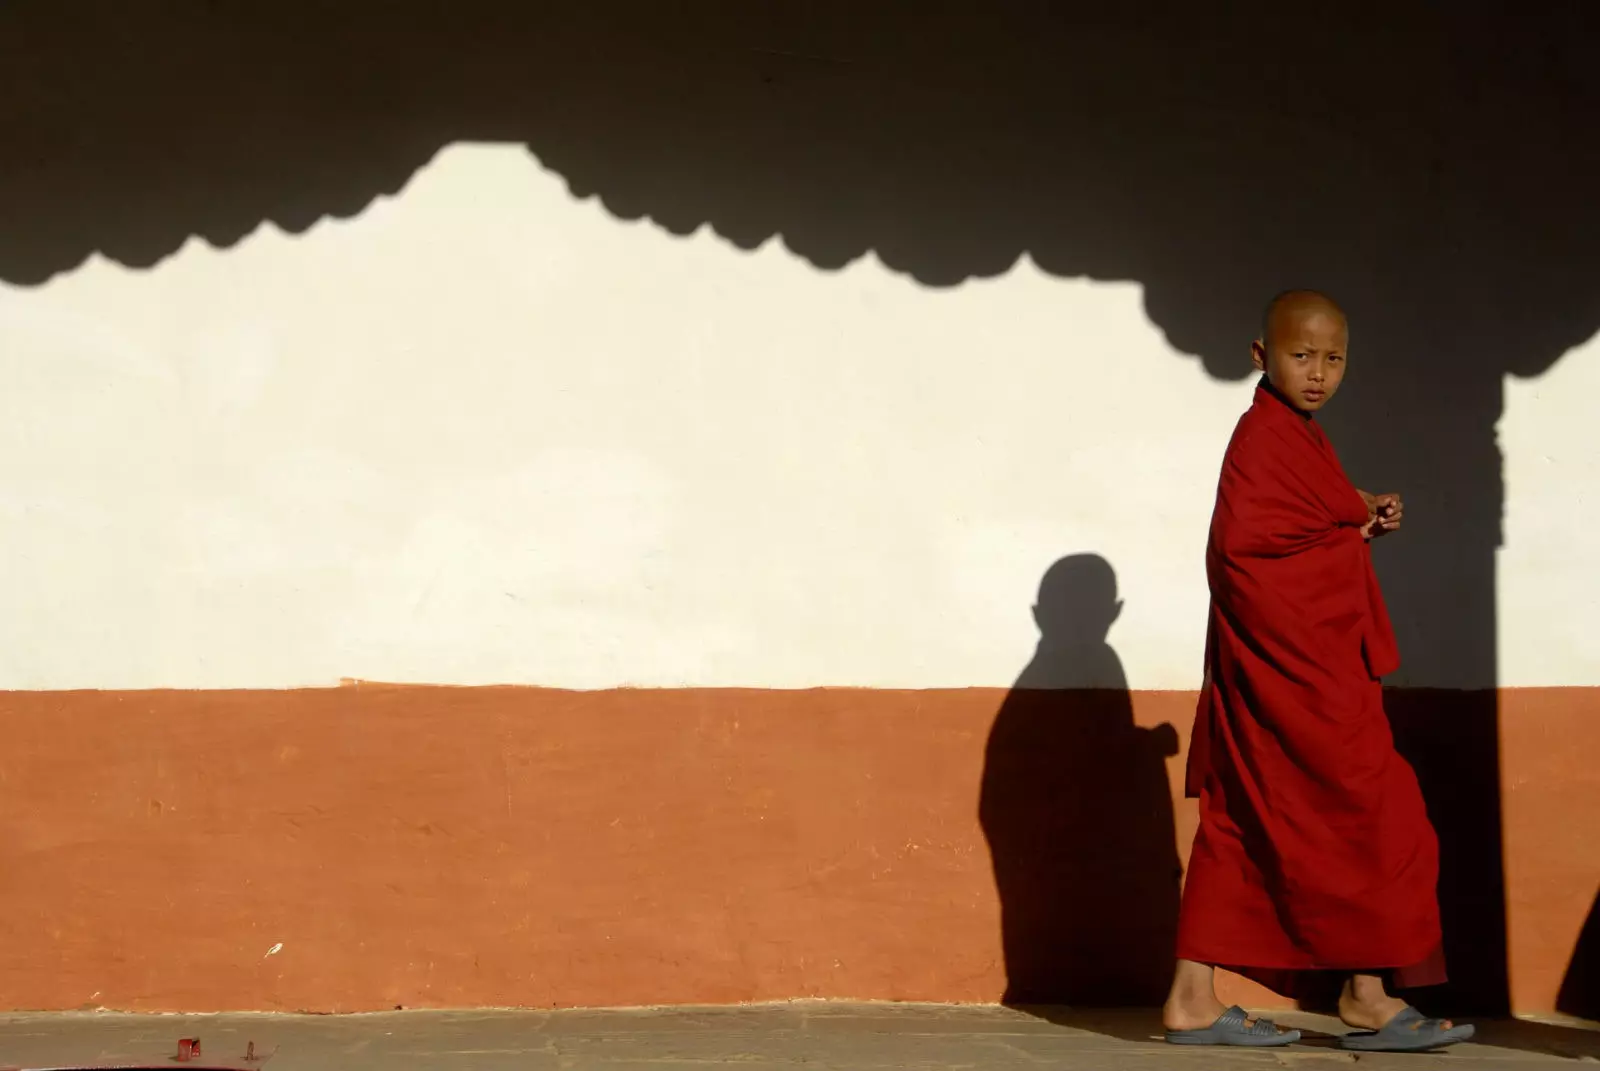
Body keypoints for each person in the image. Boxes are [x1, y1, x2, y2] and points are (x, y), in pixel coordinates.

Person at [1161, 290, 1474, 1052]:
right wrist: (1343, 529)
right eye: (1302, 355)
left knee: (1251, 819)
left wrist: (1353, 510)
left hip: (1308, 672)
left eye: (1334, 358)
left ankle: (1208, 996)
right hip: (1287, 677)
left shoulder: (1301, 438)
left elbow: (1300, 525)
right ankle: (1360, 994)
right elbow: (1241, 555)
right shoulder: (1259, 438)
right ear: (1261, 356)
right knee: (1375, 812)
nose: (1319, 373)